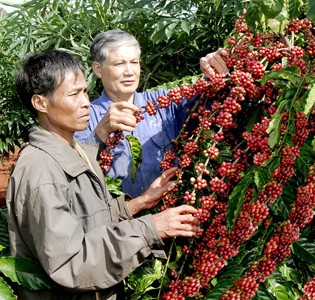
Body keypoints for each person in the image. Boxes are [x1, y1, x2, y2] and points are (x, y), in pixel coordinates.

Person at [7, 49, 202, 299]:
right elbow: (72, 263)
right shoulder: (41, 171)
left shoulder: (74, 151)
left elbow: (88, 219)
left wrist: (140, 203)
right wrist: (151, 228)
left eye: (86, 91)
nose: (86, 102)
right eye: (74, 94)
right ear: (40, 103)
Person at [74, 29, 229, 198]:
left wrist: (215, 70)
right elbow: (74, 169)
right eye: (119, 64)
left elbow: (206, 102)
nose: (129, 71)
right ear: (98, 69)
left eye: (134, 62)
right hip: (121, 220)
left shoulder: (161, 102)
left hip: (170, 213)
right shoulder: (85, 117)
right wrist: (101, 133)